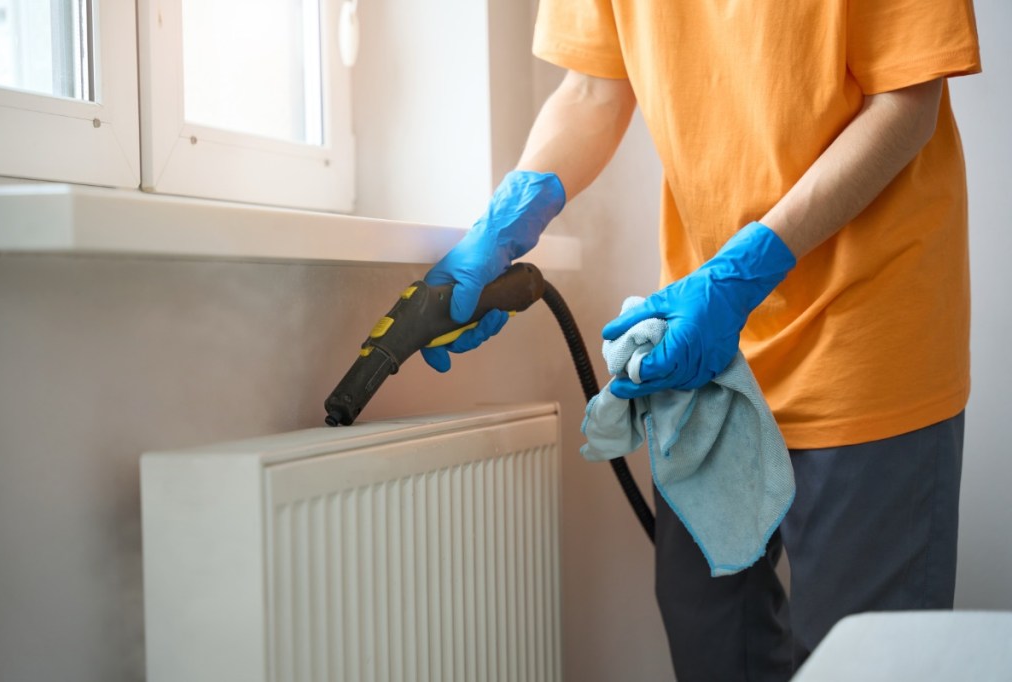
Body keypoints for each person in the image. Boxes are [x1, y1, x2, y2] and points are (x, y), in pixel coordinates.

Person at [420, 1, 982, 679]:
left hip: (867, 329)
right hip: (705, 343)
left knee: (863, 660)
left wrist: (747, 268)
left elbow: (905, 104)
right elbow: (592, 86)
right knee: (713, 640)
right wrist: (508, 220)